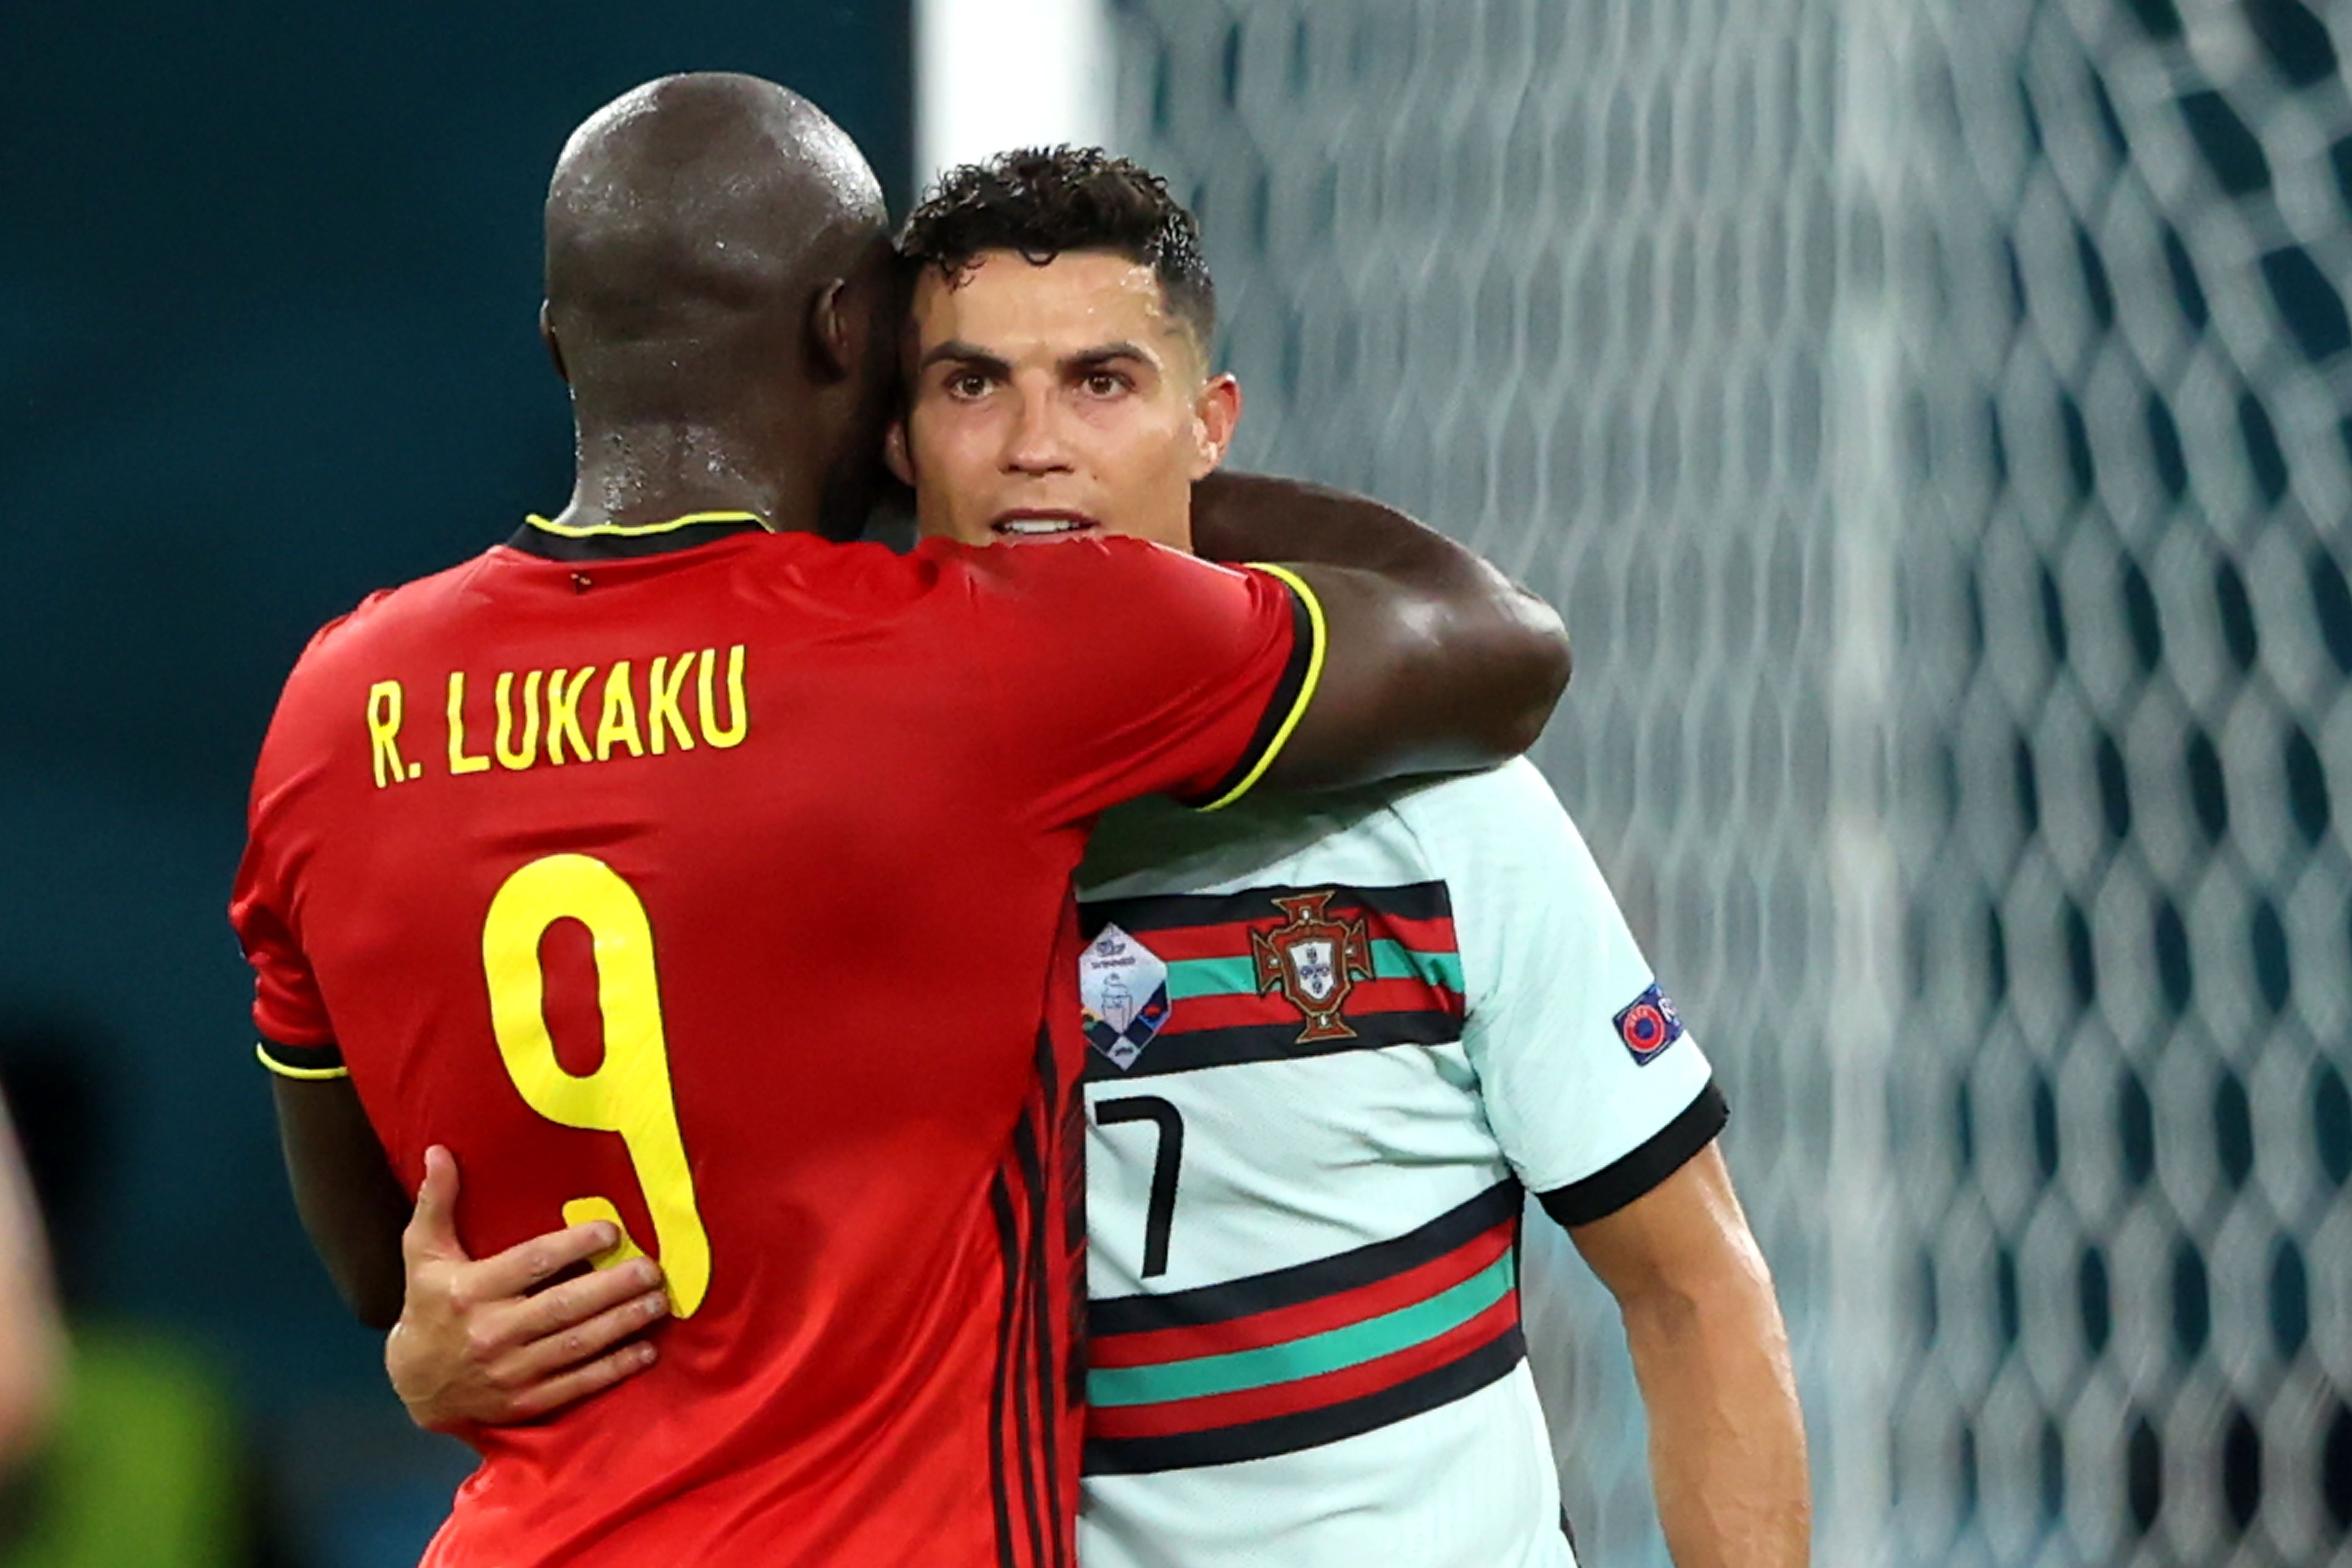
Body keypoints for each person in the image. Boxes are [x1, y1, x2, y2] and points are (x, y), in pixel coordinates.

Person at [383, 148, 1809, 1568]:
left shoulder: (1445, 809)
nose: (1033, 446)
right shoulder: (805, 836)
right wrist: (436, 1357)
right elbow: (670, 1293)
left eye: (1103, 384)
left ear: (1211, 424)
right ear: (896, 435)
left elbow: (1691, 1294)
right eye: (971, 385)